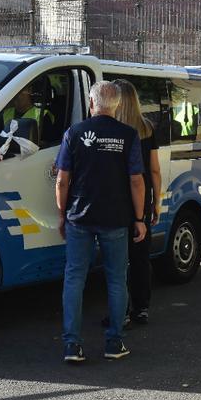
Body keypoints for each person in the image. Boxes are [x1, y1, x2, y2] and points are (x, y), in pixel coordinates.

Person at [55, 80, 146, 363]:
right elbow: (136, 181)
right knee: (117, 279)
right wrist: (140, 218)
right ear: (117, 105)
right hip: (116, 219)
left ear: (92, 103)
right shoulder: (129, 136)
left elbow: (62, 179)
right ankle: (114, 343)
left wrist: (62, 214)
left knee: (74, 279)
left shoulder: (74, 133)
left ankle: (72, 345)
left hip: (79, 218)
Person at [113, 79, 161, 325]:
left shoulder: (113, 130)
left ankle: (119, 311)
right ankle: (141, 307)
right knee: (141, 257)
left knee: (117, 259)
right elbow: (154, 170)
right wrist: (157, 202)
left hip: (117, 201)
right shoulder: (147, 128)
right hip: (142, 201)